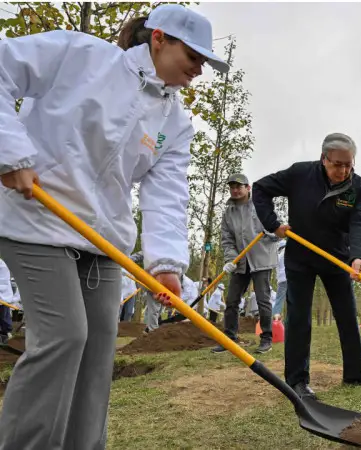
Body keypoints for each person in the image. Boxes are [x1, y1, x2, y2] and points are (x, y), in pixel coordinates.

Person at [0, 5, 229, 448]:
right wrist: (11, 153)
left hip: (104, 240)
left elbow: (166, 193)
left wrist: (165, 262)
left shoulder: (175, 122)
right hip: (37, 218)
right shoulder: (79, 54)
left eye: (205, 62)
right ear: (159, 39)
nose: (199, 70)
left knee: (98, 350)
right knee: (65, 336)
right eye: (194, 57)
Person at [252, 132, 361, 400]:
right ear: (324, 159)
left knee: (347, 314)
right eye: (338, 164)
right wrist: (273, 224)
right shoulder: (300, 174)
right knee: (299, 317)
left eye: (349, 164)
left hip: (337, 256)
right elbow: (261, 188)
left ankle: (356, 372)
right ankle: (297, 381)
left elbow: (360, 222)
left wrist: (358, 257)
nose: (344, 170)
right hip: (301, 256)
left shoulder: (359, 187)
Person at [211, 173, 280, 355]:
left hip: (261, 259)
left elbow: (277, 230)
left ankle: (266, 339)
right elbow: (227, 239)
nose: (235, 190)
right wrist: (230, 259)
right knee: (232, 300)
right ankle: (229, 339)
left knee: (262, 299)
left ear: (248, 188)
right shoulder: (228, 212)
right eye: (232, 187)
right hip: (240, 262)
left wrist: (269, 231)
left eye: (239, 187)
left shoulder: (260, 204)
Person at [273, 239, 288, 320]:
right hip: (289, 278)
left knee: (278, 300)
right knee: (291, 299)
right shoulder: (287, 252)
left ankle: (275, 317)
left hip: (281, 280)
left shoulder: (277, 256)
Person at [0, 258, 14, 344]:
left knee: (3, 317)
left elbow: (3, 281)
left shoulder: (2, 264)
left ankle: (6, 335)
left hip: (3, 296)